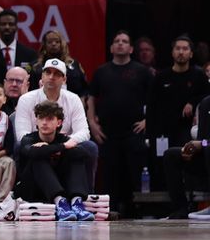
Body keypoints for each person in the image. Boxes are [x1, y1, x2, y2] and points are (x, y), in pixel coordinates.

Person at [88, 30, 152, 217]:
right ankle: (111, 210)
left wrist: (148, 121)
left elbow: (156, 99)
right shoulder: (102, 71)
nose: (120, 43)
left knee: (134, 173)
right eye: (117, 41)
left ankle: (137, 211)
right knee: (110, 175)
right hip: (107, 133)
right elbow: (91, 98)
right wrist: (92, 122)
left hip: (134, 131)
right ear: (111, 47)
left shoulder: (142, 71)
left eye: (125, 41)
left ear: (131, 48)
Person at [14, 58, 97, 188]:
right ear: (42, 76)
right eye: (48, 73)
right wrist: (43, 145)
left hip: (66, 149)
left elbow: (84, 132)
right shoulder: (26, 99)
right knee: (19, 146)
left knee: (90, 147)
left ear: (64, 79)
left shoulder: (73, 99)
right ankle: (22, 188)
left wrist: (64, 144)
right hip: (37, 146)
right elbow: (21, 134)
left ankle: (86, 195)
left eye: (57, 74)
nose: (51, 77)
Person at [15, 101, 95, 222]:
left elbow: (84, 154)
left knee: (75, 157)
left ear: (59, 122)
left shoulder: (62, 139)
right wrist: (61, 147)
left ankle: (76, 202)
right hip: (32, 189)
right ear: (36, 120)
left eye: (50, 118)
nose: (44, 122)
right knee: (38, 157)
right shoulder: (28, 138)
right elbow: (31, 152)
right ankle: (60, 203)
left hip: (59, 186)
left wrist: (51, 149)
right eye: (41, 118)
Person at [147, 36, 209, 189]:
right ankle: (164, 206)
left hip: (187, 130)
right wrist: (150, 134)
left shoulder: (199, 76)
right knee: (162, 164)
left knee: (186, 160)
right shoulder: (161, 77)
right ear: (172, 52)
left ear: (191, 54)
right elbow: (152, 106)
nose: (181, 52)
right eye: (178, 48)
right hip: (163, 131)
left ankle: (189, 200)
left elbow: (206, 97)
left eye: (185, 49)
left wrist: (192, 103)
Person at [163, 95, 210, 219]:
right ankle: (181, 209)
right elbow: (202, 139)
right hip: (206, 157)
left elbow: (204, 143)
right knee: (171, 155)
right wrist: (192, 149)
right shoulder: (206, 103)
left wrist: (203, 144)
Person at [29, 30, 89, 99]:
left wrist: (82, 104)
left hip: (72, 104)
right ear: (44, 45)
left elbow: (83, 89)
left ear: (62, 44)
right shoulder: (35, 67)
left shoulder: (74, 64)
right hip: (42, 104)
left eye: (57, 41)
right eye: (50, 42)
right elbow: (30, 90)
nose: (53, 44)